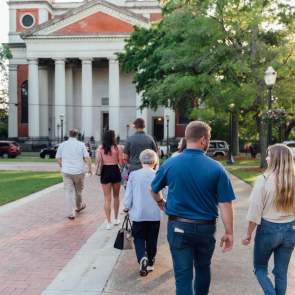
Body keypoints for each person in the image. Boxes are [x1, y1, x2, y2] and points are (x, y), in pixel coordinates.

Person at [150, 121, 236, 295]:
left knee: (183, 276)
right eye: (209, 139)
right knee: (203, 268)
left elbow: (153, 189)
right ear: (203, 140)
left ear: (187, 138)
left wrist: (161, 202)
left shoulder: (170, 164)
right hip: (205, 228)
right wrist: (229, 232)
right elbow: (225, 204)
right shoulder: (216, 168)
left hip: (178, 227)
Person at [242, 144, 295, 295]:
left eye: (269, 155)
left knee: (259, 268)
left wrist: (248, 234)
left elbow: (255, 212)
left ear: (276, 159)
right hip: (291, 230)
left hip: (268, 230)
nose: (266, 157)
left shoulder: (263, 180)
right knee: (281, 273)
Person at [123, 149, 161, 277]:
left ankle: (142, 257)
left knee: (138, 238)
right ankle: (150, 262)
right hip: (154, 214)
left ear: (140, 160)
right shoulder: (158, 174)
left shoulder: (134, 175)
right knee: (152, 238)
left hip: (138, 214)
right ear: (155, 161)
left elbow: (129, 193)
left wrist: (126, 207)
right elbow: (165, 193)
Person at [56, 129, 92, 220]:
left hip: (66, 171)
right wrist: (90, 169)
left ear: (69, 134)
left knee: (68, 192)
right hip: (79, 171)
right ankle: (78, 206)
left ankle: (71, 213)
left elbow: (58, 158)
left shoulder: (62, 145)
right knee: (78, 191)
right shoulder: (81, 144)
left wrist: (62, 166)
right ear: (77, 135)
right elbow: (87, 158)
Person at [96, 130, 124, 230]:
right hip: (115, 171)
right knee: (116, 196)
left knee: (107, 198)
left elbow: (98, 161)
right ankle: (116, 219)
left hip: (105, 172)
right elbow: (121, 163)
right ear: (113, 137)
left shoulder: (100, 148)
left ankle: (108, 222)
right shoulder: (118, 148)